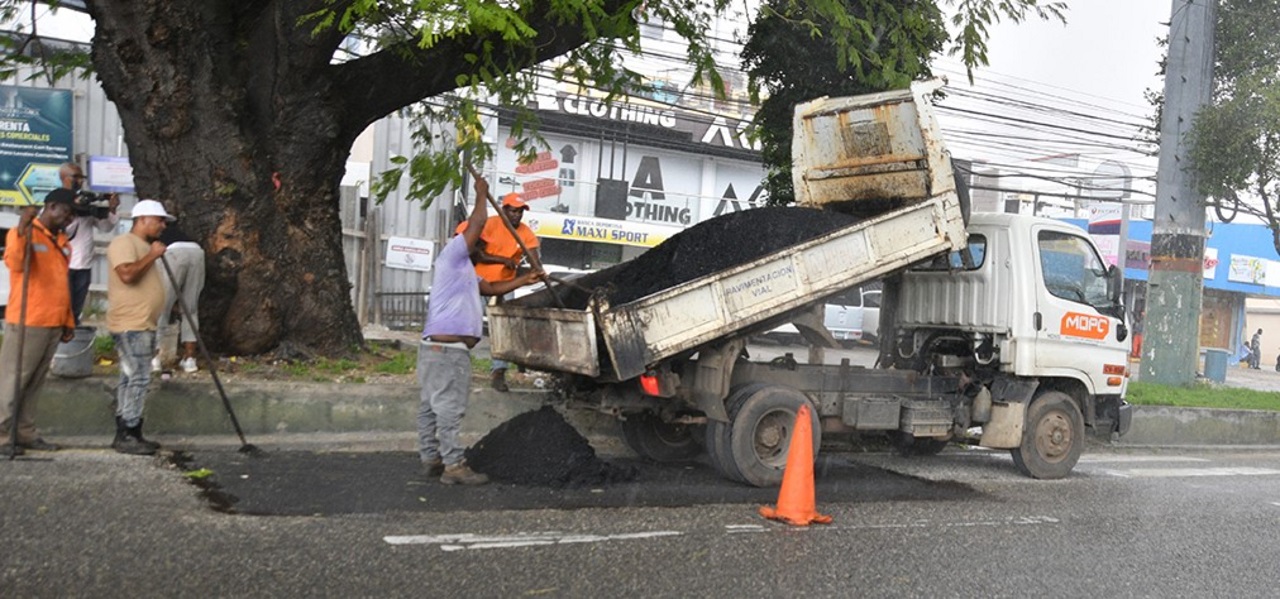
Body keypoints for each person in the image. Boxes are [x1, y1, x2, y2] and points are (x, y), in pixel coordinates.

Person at [419, 177, 543, 485]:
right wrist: (481, 195)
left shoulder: (465, 272)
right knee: (449, 408)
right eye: (479, 244)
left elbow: (492, 288)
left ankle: (431, 458)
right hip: (447, 352)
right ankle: (453, 466)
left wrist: (524, 280)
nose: (483, 248)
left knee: (430, 406)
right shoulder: (453, 256)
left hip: (437, 349)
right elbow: (475, 225)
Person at [0, 190, 76, 456]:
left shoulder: (62, 241)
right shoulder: (24, 232)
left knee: (34, 382)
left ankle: (25, 432)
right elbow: (16, 262)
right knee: (13, 379)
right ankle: (2, 434)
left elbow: (61, 284)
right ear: (51, 206)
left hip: (53, 321)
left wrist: (68, 320)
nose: (69, 219)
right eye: (66, 212)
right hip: (28, 320)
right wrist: (23, 228)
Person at [106, 199, 174, 455]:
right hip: (131, 323)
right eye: (159, 220)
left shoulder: (144, 246)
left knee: (129, 377)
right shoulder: (124, 243)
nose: (163, 225)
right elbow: (127, 274)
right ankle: (129, 431)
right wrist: (152, 255)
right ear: (143, 219)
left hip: (143, 323)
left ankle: (127, 428)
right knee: (139, 377)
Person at [458, 192, 540, 392]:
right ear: (504, 210)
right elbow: (477, 254)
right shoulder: (490, 224)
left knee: (503, 330)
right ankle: (459, 366)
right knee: (467, 326)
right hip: (477, 282)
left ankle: (499, 372)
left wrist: (537, 270)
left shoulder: (525, 232)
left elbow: (534, 256)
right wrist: (503, 260)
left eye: (520, 212)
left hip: (504, 285)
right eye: (513, 211)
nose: (517, 215)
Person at [58, 162, 120, 324]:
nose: (80, 181)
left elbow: (105, 227)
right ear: (64, 178)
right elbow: (59, 231)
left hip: (84, 265)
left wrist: (112, 209)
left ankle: (72, 331)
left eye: (82, 177)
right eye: (76, 177)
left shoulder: (86, 202)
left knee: (76, 310)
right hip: (63, 265)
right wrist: (72, 212)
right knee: (61, 307)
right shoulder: (56, 202)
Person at [153, 216, 205, 374]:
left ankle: (154, 358)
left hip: (173, 251)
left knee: (161, 306)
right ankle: (190, 359)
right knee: (190, 309)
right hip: (196, 251)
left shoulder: (151, 234)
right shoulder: (181, 232)